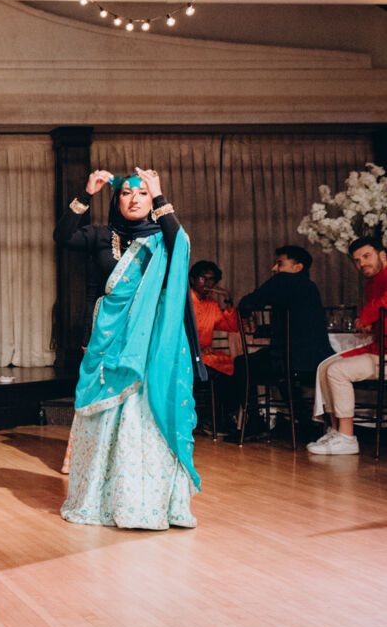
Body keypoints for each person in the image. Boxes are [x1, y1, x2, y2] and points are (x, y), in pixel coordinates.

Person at [54, 168, 202, 530]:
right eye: (126, 193)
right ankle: (102, 500)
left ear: (152, 201)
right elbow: (63, 236)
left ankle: (147, 504)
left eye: (142, 193)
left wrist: (160, 194)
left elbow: (181, 247)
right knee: (108, 417)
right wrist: (86, 193)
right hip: (109, 337)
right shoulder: (101, 236)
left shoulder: (164, 238)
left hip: (153, 341)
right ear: (116, 199)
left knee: (144, 415)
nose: (134, 199)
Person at [235, 245, 334, 439]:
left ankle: (255, 421)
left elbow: (248, 302)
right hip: (318, 361)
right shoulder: (310, 287)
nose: (274, 268)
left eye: (280, 263)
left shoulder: (284, 280)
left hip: (291, 361)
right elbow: (296, 323)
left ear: (297, 267)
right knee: (280, 367)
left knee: (242, 364)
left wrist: (248, 315)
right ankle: (303, 422)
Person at [309, 236, 387, 455]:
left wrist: (366, 316)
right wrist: (370, 323)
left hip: (384, 354)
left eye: (367, 256)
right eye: (357, 260)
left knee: (337, 370)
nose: (362, 264)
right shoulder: (373, 282)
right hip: (379, 349)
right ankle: (335, 430)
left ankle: (347, 437)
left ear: (382, 255)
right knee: (325, 366)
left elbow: (382, 303)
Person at [189, 260, 240, 429]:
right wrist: (197, 348)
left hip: (206, 357)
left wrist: (229, 303)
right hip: (187, 357)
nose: (208, 284)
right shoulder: (184, 302)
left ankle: (228, 418)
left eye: (211, 280)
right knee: (220, 375)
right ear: (192, 280)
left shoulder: (212, 305)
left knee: (240, 368)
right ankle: (213, 419)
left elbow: (231, 327)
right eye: (203, 279)